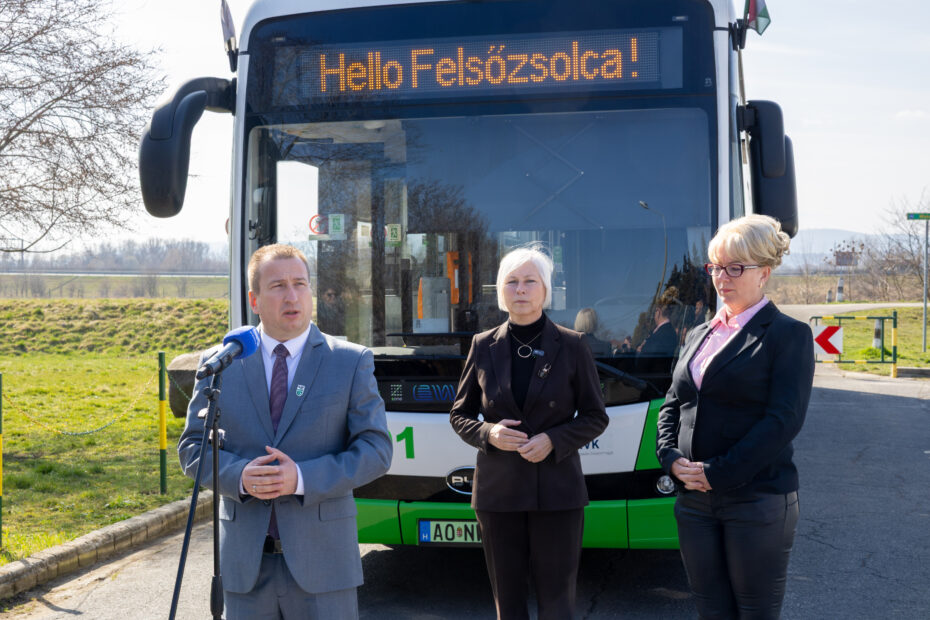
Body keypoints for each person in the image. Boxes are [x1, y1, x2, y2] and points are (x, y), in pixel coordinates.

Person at [178, 244, 392, 619]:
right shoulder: (220, 363)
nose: (292, 296)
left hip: (325, 566)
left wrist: (302, 478)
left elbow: (376, 450)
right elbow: (193, 448)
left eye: (300, 284)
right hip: (244, 568)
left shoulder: (349, 361)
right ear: (254, 299)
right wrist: (239, 476)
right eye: (278, 286)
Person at [656, 214, 814, 619]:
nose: (721, 278)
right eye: (715, 267)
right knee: (711, 611)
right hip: (694, 500)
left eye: (735, 268)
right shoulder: (699, 334)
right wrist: (670, 458)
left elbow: (783, 421)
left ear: (764, 273)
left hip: (756, 500)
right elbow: (673, 403)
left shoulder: (787, 335)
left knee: (754, 613)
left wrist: (718, 473)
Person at [450, 246, 609, 620]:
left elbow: (595, 416)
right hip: (498, 493)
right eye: (512, 281)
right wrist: (489, 433)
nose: (520, 289)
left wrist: (554, 440)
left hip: (557, 491)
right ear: (501, 290)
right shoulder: (482, 345)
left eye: (529, 281)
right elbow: (460, 414)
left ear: (546, 289)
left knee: (557, 603)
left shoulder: (572, 344)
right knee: (508, 603)